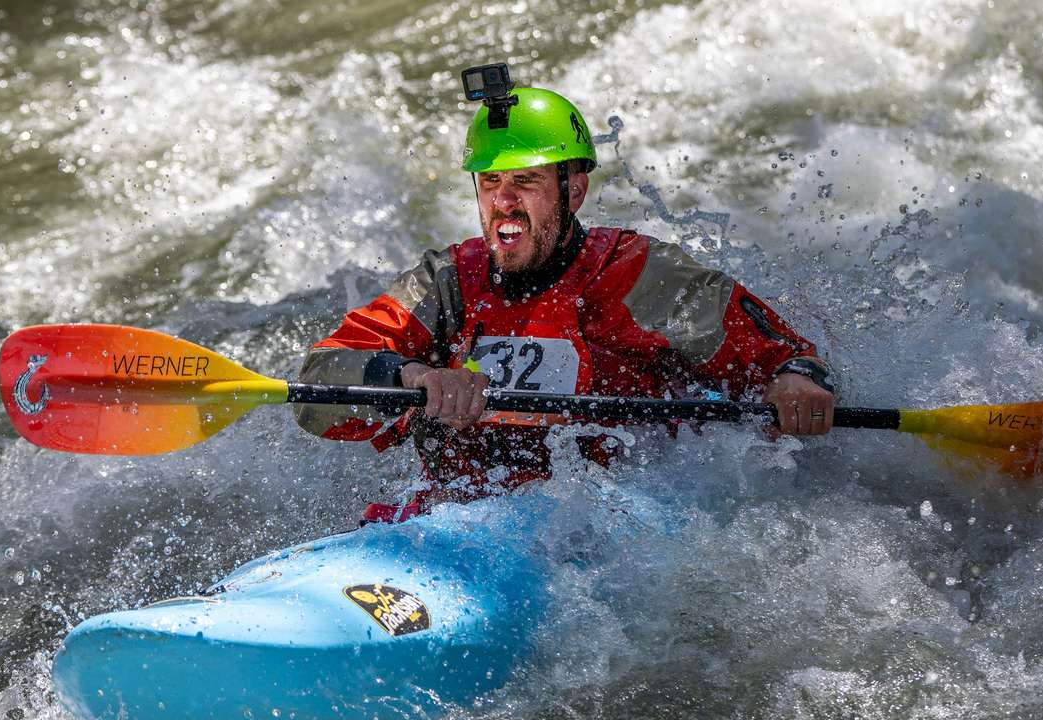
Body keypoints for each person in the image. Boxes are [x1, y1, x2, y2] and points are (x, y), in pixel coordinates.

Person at [295, 86, 835, 523]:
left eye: (525, 182)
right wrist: (410, 376)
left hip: (609, 524)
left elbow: (786, 358)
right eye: (490, 183)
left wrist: (795, 379)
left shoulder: (639, 275)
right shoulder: (447, 283)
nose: (503, 202)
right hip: (454, 525)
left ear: (574, 193)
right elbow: (317, 390)